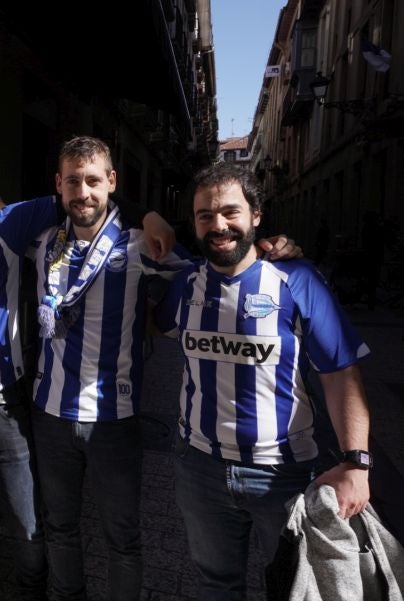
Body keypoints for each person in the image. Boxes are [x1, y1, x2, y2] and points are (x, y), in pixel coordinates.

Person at [0, 144, 175, 600]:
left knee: (28, 521)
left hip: (6, 401)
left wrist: (151, 216)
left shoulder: (3, 228)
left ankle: (31, 591)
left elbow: (85, 198)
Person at [27, 137, 302, 601]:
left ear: (111, 182)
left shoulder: (141, 245)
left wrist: (271, 249)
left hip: (114, 421)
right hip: (48, 414)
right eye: (73, 181)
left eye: (94, 180)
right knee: (59, 526)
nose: (83, 191)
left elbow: (216, 267)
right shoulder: (40, 243)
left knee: (123, 538)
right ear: (59, 185)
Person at [155, 161, 371, 601]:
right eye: (205, 215)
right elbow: (157, 323)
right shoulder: (184, 285)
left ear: (257, 215)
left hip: (284, 475)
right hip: (199, 468)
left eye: (231, 212)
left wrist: (356, 463)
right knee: (216, 584)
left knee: (295, 587)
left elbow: (340, 375)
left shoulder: (298, 280)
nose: (219, 225)